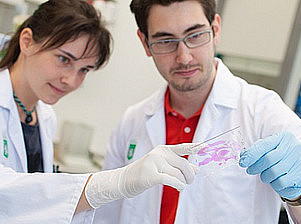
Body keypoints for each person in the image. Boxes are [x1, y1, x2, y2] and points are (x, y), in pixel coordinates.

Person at [94, 0, 301, 223]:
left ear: (216, 29)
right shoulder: (131, 122)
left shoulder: (264, 113)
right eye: (165, 41)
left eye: (194, 36)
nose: (184, 57)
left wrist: (297, 196)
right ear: (145, 43)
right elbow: (107, 215)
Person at [0, 0, 203, 223]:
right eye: (64, 59)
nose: (70, 80)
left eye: (84, 70)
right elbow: (7, 194)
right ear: (27, 41)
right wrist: (112, 183)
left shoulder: (45, 117)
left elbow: (38, 207)